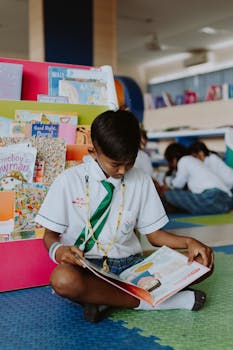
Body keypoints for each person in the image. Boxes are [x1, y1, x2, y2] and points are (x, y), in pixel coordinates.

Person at [35, 110, 214, 323]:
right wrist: (59, 250)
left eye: (129, 162)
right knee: (63, 279)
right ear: (94, 152)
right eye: (115, 164)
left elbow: (155, 235)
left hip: (132, 267)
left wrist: (189, 241)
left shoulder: (141, 180)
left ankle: (105, 298)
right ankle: (155, 303)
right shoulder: (68, 181)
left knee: (204, 262)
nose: (122, 170)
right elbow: (49, 236)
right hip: (88, 267)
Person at [160, 142, 232, 215]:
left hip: (212, 197)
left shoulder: (184, 160)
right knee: (187, 198)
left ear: (174, 160)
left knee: (169, 194)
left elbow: (178, 184)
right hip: (227, 200)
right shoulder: (196, 161)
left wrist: (168, 186)